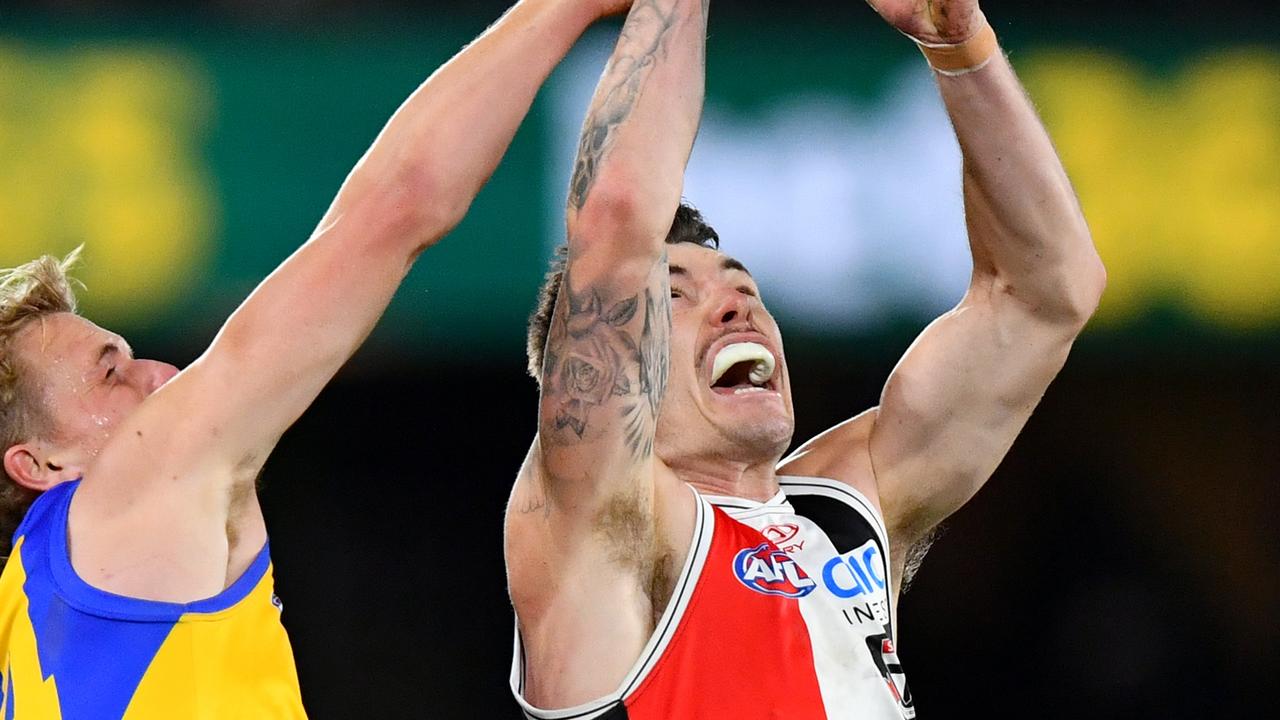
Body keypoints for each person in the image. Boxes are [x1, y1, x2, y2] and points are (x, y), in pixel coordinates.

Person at [0, 1, 630, 716]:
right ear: (42, 463)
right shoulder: (133, 493)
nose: (162, 375)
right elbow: (398, 208)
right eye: (110, 374)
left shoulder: (25, 621)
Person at [506, 0, 1106, 717]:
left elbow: (1045, 294)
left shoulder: (850, 503)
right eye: (676, 296)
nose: (735, 306)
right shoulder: (603, 522)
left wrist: (961, 48)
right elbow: (613, 225)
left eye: (743, 286)